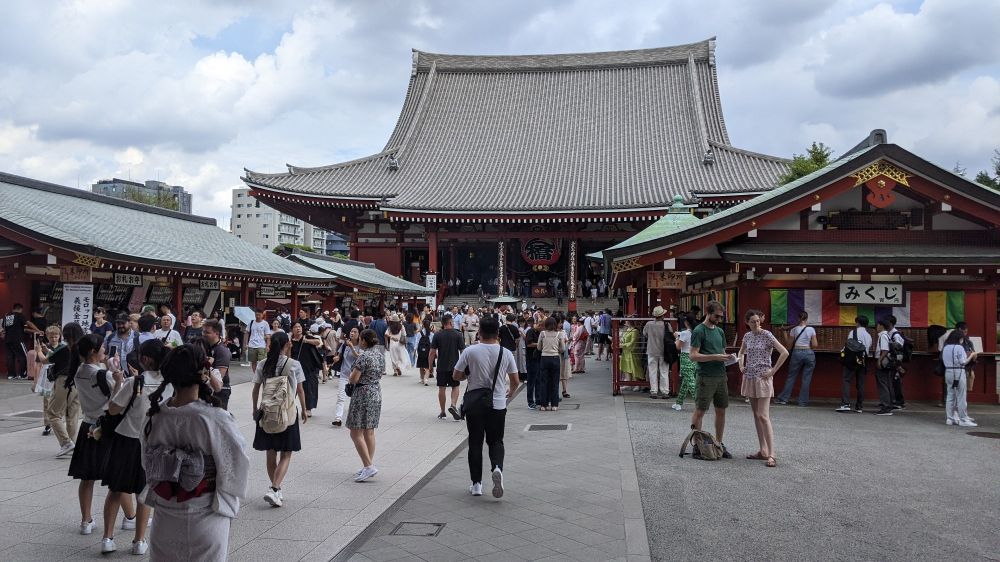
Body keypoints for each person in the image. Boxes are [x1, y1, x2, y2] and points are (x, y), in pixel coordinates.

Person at [142, 343, 249, 561]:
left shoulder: (155, 416)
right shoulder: (214, 418)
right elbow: (237, 464)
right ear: (204, 373)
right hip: (205, 513)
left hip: (165, 511)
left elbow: (147, 463)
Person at [99, 339, 171, 555]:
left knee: (115, 489)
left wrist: (118, 384)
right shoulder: (170, 384)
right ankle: (139, 541)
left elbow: (112, 410)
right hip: (153, 443)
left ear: (145, 359)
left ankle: (107, 538)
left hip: (126, 441)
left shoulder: (135, 382)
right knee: (144, 493)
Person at [453, 317, 519, 498]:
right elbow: (515, 380)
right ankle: (497, 468)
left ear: (479, 332)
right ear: (498, 333)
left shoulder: (470, 351)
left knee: (475, 442)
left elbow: (456, 375)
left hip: (474, 404)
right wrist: (510, 393)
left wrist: (468, 375)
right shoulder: (505, 353)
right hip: (497, 403)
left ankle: (476, 484)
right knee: (496, 441)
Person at [68, 333, 124, 536]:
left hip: (87, 425)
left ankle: (86, 520)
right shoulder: (102, 375)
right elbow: (117, 402)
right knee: (118, 475)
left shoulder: (78, 371)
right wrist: (117, 378)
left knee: (87, 476)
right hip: (106, 427)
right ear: (93, 351)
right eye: (102, 347)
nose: (105, 351)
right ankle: (130, 517)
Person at [252, 331, 308, 507]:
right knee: (286, 453)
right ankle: (275, 488)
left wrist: (255, 410)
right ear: (286, 345)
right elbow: (299, 390)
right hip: (287, 413)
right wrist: (304, 410)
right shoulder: (294, 364)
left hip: (267, 412)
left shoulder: (262, 364)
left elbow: (255, 390)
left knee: (271, 451)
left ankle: (277, 489)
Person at [737, 310, 789, 468]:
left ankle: (772, 453)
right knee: (756, 415)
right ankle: (763, 450)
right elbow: (741, 351)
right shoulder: (747, 336)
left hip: (763, 377)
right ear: (747, 322)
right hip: (750, 376)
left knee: (763, 415)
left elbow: (784, 352)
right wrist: (741, 364)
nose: (756, 324)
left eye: (758, 321)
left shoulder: (767, 334)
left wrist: (772, 371)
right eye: (753, 321)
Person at [689, 301, 736, 459]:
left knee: (721, 410)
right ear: (708, 313)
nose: (719, 319)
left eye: (721, 316)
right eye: (717, 316)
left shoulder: (720, 332)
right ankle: (697, 444)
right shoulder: (699, 330)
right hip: (705, 375)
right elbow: (693, 355)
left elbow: (721, 350)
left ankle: (719, 443)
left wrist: (727, 359)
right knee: (700, 410)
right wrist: (715, 356)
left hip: (720, 374)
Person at [38, 323, 83, 455]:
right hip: (79, 382)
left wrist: (39, 350)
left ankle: (66, 442)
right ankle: (73, 444)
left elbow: (45, 361)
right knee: (72, 415)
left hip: (64, 381)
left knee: (53, 413)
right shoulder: (84, 346)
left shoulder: (64, 348)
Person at [347, 329, 385, 482]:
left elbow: (354, 378)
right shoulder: (380, 355)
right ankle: (367, 464)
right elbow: (381, 373)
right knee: (369, 431)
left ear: (363, 340)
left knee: (355, 432)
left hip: (362, 393)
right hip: (376, 391)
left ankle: (368, 466)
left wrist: (351, 377)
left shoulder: (363, 357)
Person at [774, 311, 817, 406]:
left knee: (791, 376)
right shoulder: (811, 329)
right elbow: (815, 345)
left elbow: (788, 346)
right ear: (806, 319)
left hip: (797, 353)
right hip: (809, 353)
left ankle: (784, 399)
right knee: (806, 379)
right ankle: (803, 402)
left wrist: (785, 333)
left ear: (798, 318)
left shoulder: (794, 330)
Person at [430, 314, 466, 420]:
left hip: (441, 366)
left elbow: (432, 352)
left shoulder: (437, 335)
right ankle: (453, 405)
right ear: (450, 322)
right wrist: (464, 366)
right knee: (455, 386)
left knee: (442, 388)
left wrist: (430, 366)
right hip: (455, 367)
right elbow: (463, 352)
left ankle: (442, 411)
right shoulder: (458, 335)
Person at [941, 330, 978, 427]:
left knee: (950, 395)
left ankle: (950, 418)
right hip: (958, 371)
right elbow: (963, 362)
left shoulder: (945, 347)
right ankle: (963, 419)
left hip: (948, 372)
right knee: (961, 396)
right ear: (959, 338)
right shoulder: (959, 347)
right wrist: (972, 355)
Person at [837, 316, 872, 413]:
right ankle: (859, 406)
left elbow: (848, 345)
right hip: (863, 360)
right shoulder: (868, 335)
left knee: (846, 380)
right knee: (860, 383)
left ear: (858, 323)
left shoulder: (853, 332)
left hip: (851, 360)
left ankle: (846, 404)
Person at [290, 323, 323, 415]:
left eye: (299, 327)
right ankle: (290, 407)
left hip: (308, 367)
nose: (298, 328)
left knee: (308, 388)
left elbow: (318, 342)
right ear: (292, 330)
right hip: (295, 368)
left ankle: (308, 408)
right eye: (295, 327)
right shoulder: (290, 341)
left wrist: (307, 341)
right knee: (292, 388)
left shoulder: (307, 337)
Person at [873, 316, 903, 416]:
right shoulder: (887, 335)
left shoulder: (883, 336)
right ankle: (889, 404)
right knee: (887, 383)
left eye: (877, 325)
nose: (876, 327)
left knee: (882, 384)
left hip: (883, 362)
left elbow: (885, 350)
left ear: (881, 326)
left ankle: (886, 406)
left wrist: (879, 361)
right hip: (887, 362)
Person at [331, 328, 360, 426]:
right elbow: (340, 355)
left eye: (355, 332)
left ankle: (356, 418)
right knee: (341, 397)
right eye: (351, 331)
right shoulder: (344, 344)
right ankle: (338, 418)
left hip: (356, 376)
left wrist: (352, 348)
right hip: (344, 374)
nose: (352, 333)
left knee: (355, 398)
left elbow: (360, 358)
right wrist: (336, 358)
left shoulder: (361, 346)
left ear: (359, 334)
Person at [536, 316, 566, 411]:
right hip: (555, 358)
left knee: (544, 382)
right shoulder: (559, 334)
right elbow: (563, 348)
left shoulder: (542, 333)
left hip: (544, 358)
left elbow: (538, 347)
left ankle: (543, 405)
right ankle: (554, 405)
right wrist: (557, 350)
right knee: (555, 382)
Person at [203, 319, 232, 409]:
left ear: (216, 333)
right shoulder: (205, 346)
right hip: (207, 389)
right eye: (203, 331)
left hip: (220, 391)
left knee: (218, 421)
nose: (204, 334)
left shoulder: (222, 351)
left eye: (207, 332)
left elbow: (219, 379)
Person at [642, 306, 670, 398]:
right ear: (662, 315)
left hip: (651, 350)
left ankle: (654, 391)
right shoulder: (667, 325)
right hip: (664, 351)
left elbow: (644, 334)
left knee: (652, 371)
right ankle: (665, 391)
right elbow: (670, 335)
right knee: (664, 371)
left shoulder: (649, 324)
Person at [672, 314, 697, 411]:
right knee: (686, 382)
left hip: (685, 357)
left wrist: (677, 337)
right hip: (694, 357)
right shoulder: (696, 332)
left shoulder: (684, 333)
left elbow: (678, 346)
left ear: (686, 323)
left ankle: (700, 403)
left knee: (691, 383)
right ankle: (678, 402)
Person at [3, 303, 28, 379]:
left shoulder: (6, 316)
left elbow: (3, 327)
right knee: (23, 356)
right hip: (18, 339)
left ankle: (11, 375)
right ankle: (22, 375)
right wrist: (37, 330)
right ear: (20, 309)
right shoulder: (19, 315)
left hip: (7, 340)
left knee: (10, 357)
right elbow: (27, 323)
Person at [619, 318, 644, 390]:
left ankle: (637, 384)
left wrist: (623, 345)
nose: (625, 323)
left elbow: (633, 342)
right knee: (626, 368)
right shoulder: (627, 330)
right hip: (626, 351)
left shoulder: (635, 331)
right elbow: (624, 339)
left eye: (626, 321)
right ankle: (628, 383)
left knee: (634, 368)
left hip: (633, 352)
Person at [247, 309, 272, 374]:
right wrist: (245, 343)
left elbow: (268, 335)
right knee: (253, 361)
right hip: (251, 344)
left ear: (262, 315)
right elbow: (246, 333)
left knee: (262, 361)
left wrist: (267, 346)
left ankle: (262, 373)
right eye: (256, 315)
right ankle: (255, 375)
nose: (257, 316)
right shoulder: (251, 322)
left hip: (261, 345)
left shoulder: (265, 323)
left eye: (259, 315)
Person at [415, 318, 434, 386]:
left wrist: (415, 351)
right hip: (428, 352)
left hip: (421, 352)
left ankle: (422, 379)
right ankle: (426, 379)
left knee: (421, 365)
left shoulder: (419, 333)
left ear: (423, 325)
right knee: (427, 367)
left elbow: (417, 342)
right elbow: (433, 344)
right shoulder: (431, 334)